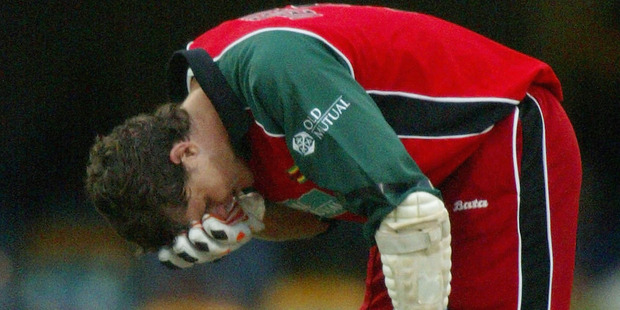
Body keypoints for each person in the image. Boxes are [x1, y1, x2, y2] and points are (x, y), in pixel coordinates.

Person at [85, 4, 581, 310]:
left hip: (499, 135)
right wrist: (252, 222)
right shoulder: (227, 139)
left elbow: (410, 215)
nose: (216, 215)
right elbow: (323, 216)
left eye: (204, 204)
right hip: (430, 182)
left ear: (184, 152)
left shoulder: (271, 74)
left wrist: (242, 209)